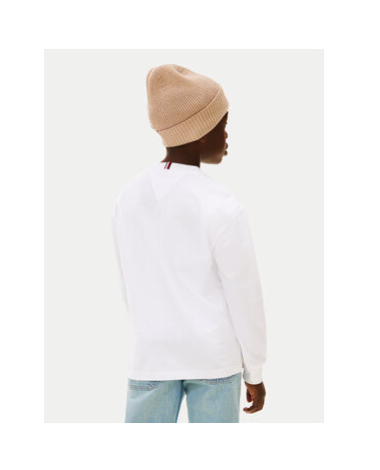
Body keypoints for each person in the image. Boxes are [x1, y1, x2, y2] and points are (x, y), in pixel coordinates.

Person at [111, 64, 267, 423]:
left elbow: (128, 282)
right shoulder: (221, 203)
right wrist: (255, 369)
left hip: (151, 356)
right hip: (214, 360)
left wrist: (150, 330)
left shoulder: (127, 197)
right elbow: (245, 293)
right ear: (199, 132)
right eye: (222, 125)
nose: (226, 136)